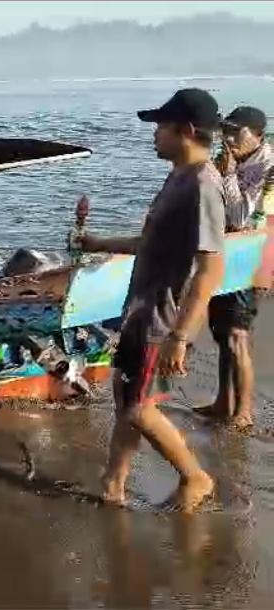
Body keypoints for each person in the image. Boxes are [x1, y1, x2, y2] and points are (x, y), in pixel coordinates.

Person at [77, 88, 225, 512]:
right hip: (140, 313)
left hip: (162, 320)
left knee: (140, 408)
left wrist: (181, 335)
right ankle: (114, 482)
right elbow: (150, 243)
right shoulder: (179, 176)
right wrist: (98, 243)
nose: (155, 134)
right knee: (126, 401)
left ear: (188, 131)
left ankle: (196, 477)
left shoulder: (203, 186)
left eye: (161, 126)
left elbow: (211, 267)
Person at [196, 106, 274, 429]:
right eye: (225, 131)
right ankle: (223, 401)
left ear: (258, 135)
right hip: (224, 255)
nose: (228, 139)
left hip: (251, 259)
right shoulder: (230, 160)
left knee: (239, 333)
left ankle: (244, 411)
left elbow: (245, 221)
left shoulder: (269, 170)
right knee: (222, 332)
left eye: (236, 132)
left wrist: (226, 175)